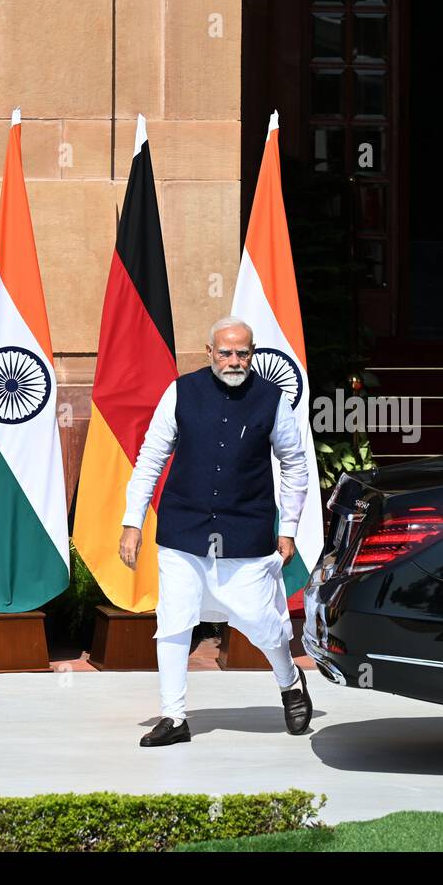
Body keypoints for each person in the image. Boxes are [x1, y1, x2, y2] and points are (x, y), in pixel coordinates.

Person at [119, 317, 312, 747]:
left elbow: (295, 464)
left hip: (247, 528)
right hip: (183, 526)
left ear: (254, 353)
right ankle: (174, 717)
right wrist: (132, 521)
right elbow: (151, 455)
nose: (234, 360)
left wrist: (291, 527)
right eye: (225, 352)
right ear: (209, 353)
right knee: (173, 621)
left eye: (242, 352)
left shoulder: (271, 399)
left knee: (262, 622)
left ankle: (290, 681)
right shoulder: (181, 392)